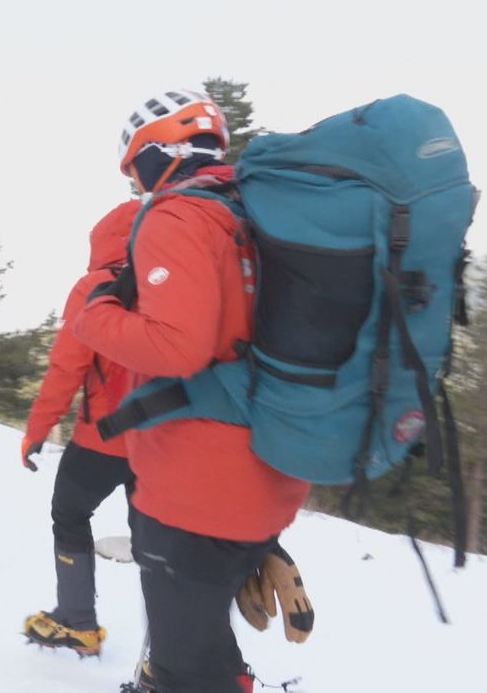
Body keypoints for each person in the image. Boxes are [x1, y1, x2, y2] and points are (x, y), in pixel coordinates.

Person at [72, 91, 310, 692]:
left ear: (156, 154)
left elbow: (178, 347)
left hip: (194, 489)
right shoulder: (250, 214)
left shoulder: (177, 216)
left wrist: (93, 314)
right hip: (266, 468)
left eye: (134, 170)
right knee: (198, 644)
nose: (135, 186)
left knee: (182, 669)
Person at [18, 199, 140, 657]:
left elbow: (67, 366)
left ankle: (77, 621)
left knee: (69, 514)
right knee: (160, 543)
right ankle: (170, 653)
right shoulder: (179, 284)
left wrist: (37, 429)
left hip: (102, 439)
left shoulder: (95, 287)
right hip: (166, 441)